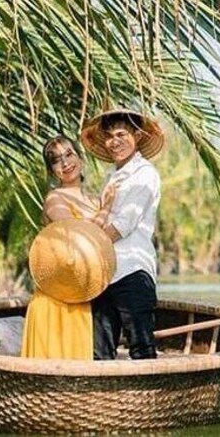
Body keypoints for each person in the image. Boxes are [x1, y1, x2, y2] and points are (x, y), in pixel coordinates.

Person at [20, 135, 115, 360]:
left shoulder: (95, 200)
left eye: (69, 154)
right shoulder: (55, 199)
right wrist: (107, 207)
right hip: (55, 298)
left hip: (83, 296)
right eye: (55, 160)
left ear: (80, 159)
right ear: (52, 171)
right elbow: (79, 236)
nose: (65, 162)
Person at [80, 108, 164, 360]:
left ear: (137, 135)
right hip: (105, 274)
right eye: (109, 136)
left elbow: (120, 228)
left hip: (132, 273)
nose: (114, 142)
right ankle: (105, 400)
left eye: (121, 134)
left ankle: (149, 399)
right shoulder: (112, 177)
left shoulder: (145, 174)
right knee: (100, 352)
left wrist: (87, 246)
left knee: (142, 349)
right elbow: (101, 220)